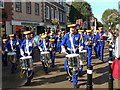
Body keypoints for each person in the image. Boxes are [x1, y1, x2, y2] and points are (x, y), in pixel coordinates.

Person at [61, 24, 81, 88]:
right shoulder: (67, 36)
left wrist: (81, 47)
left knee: (75, 69)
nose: (72, 29)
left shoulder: (79, 35)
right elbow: (62, 44)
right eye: (71, 28)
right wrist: (63, 48)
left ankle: (75, 82)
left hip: (76, 53)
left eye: (73, 28)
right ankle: (70, 75)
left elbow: (81, 43)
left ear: (75, 29)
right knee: (66, 67)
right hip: (69, 54)